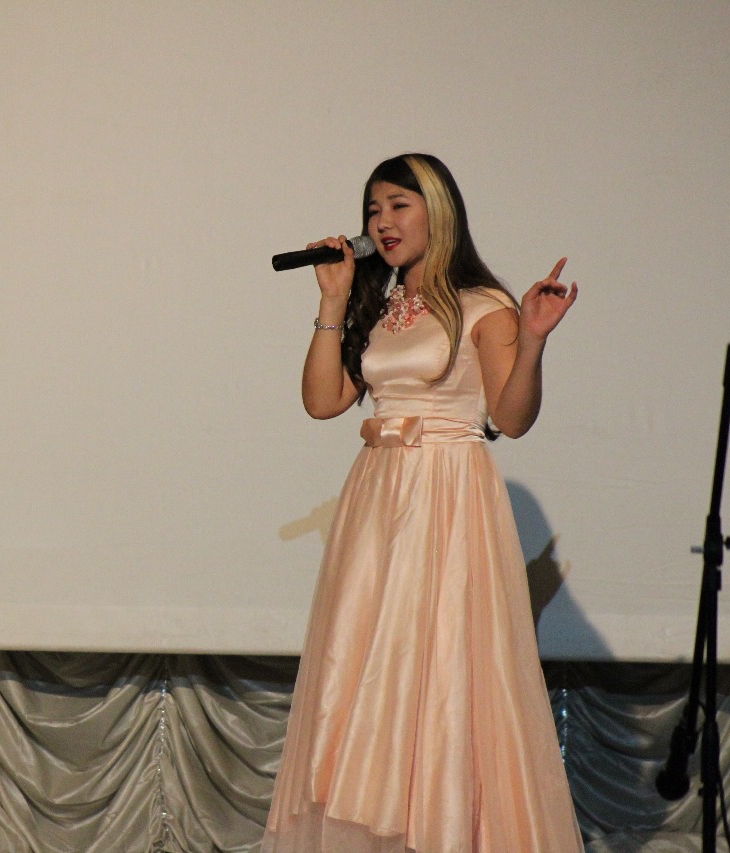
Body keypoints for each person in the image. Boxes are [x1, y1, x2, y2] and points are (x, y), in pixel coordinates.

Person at [261, 153, 583, 852]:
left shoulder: (484, 305)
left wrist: (531, 339)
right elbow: (322, 401)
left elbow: (512, 417)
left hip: (444, 496)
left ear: (438, 210)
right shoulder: (380, 305)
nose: (382, 221)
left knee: (434, 662)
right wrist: (333, 300)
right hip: (375, 498)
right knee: (363, 662)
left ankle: (437, 825)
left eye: (398, 206)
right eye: (373, 209)